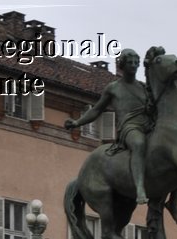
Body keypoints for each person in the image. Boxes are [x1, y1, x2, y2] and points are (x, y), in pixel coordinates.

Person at [64, 49, 154, 206]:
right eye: (130, 63)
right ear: (122, 65)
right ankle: (140, 188)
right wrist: (78, 123)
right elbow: (97, 110)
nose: (133, 66)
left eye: (135, 63)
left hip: (148, 125)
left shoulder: (143, 87)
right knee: (138, 144)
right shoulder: (113, 88)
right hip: (129, 127)